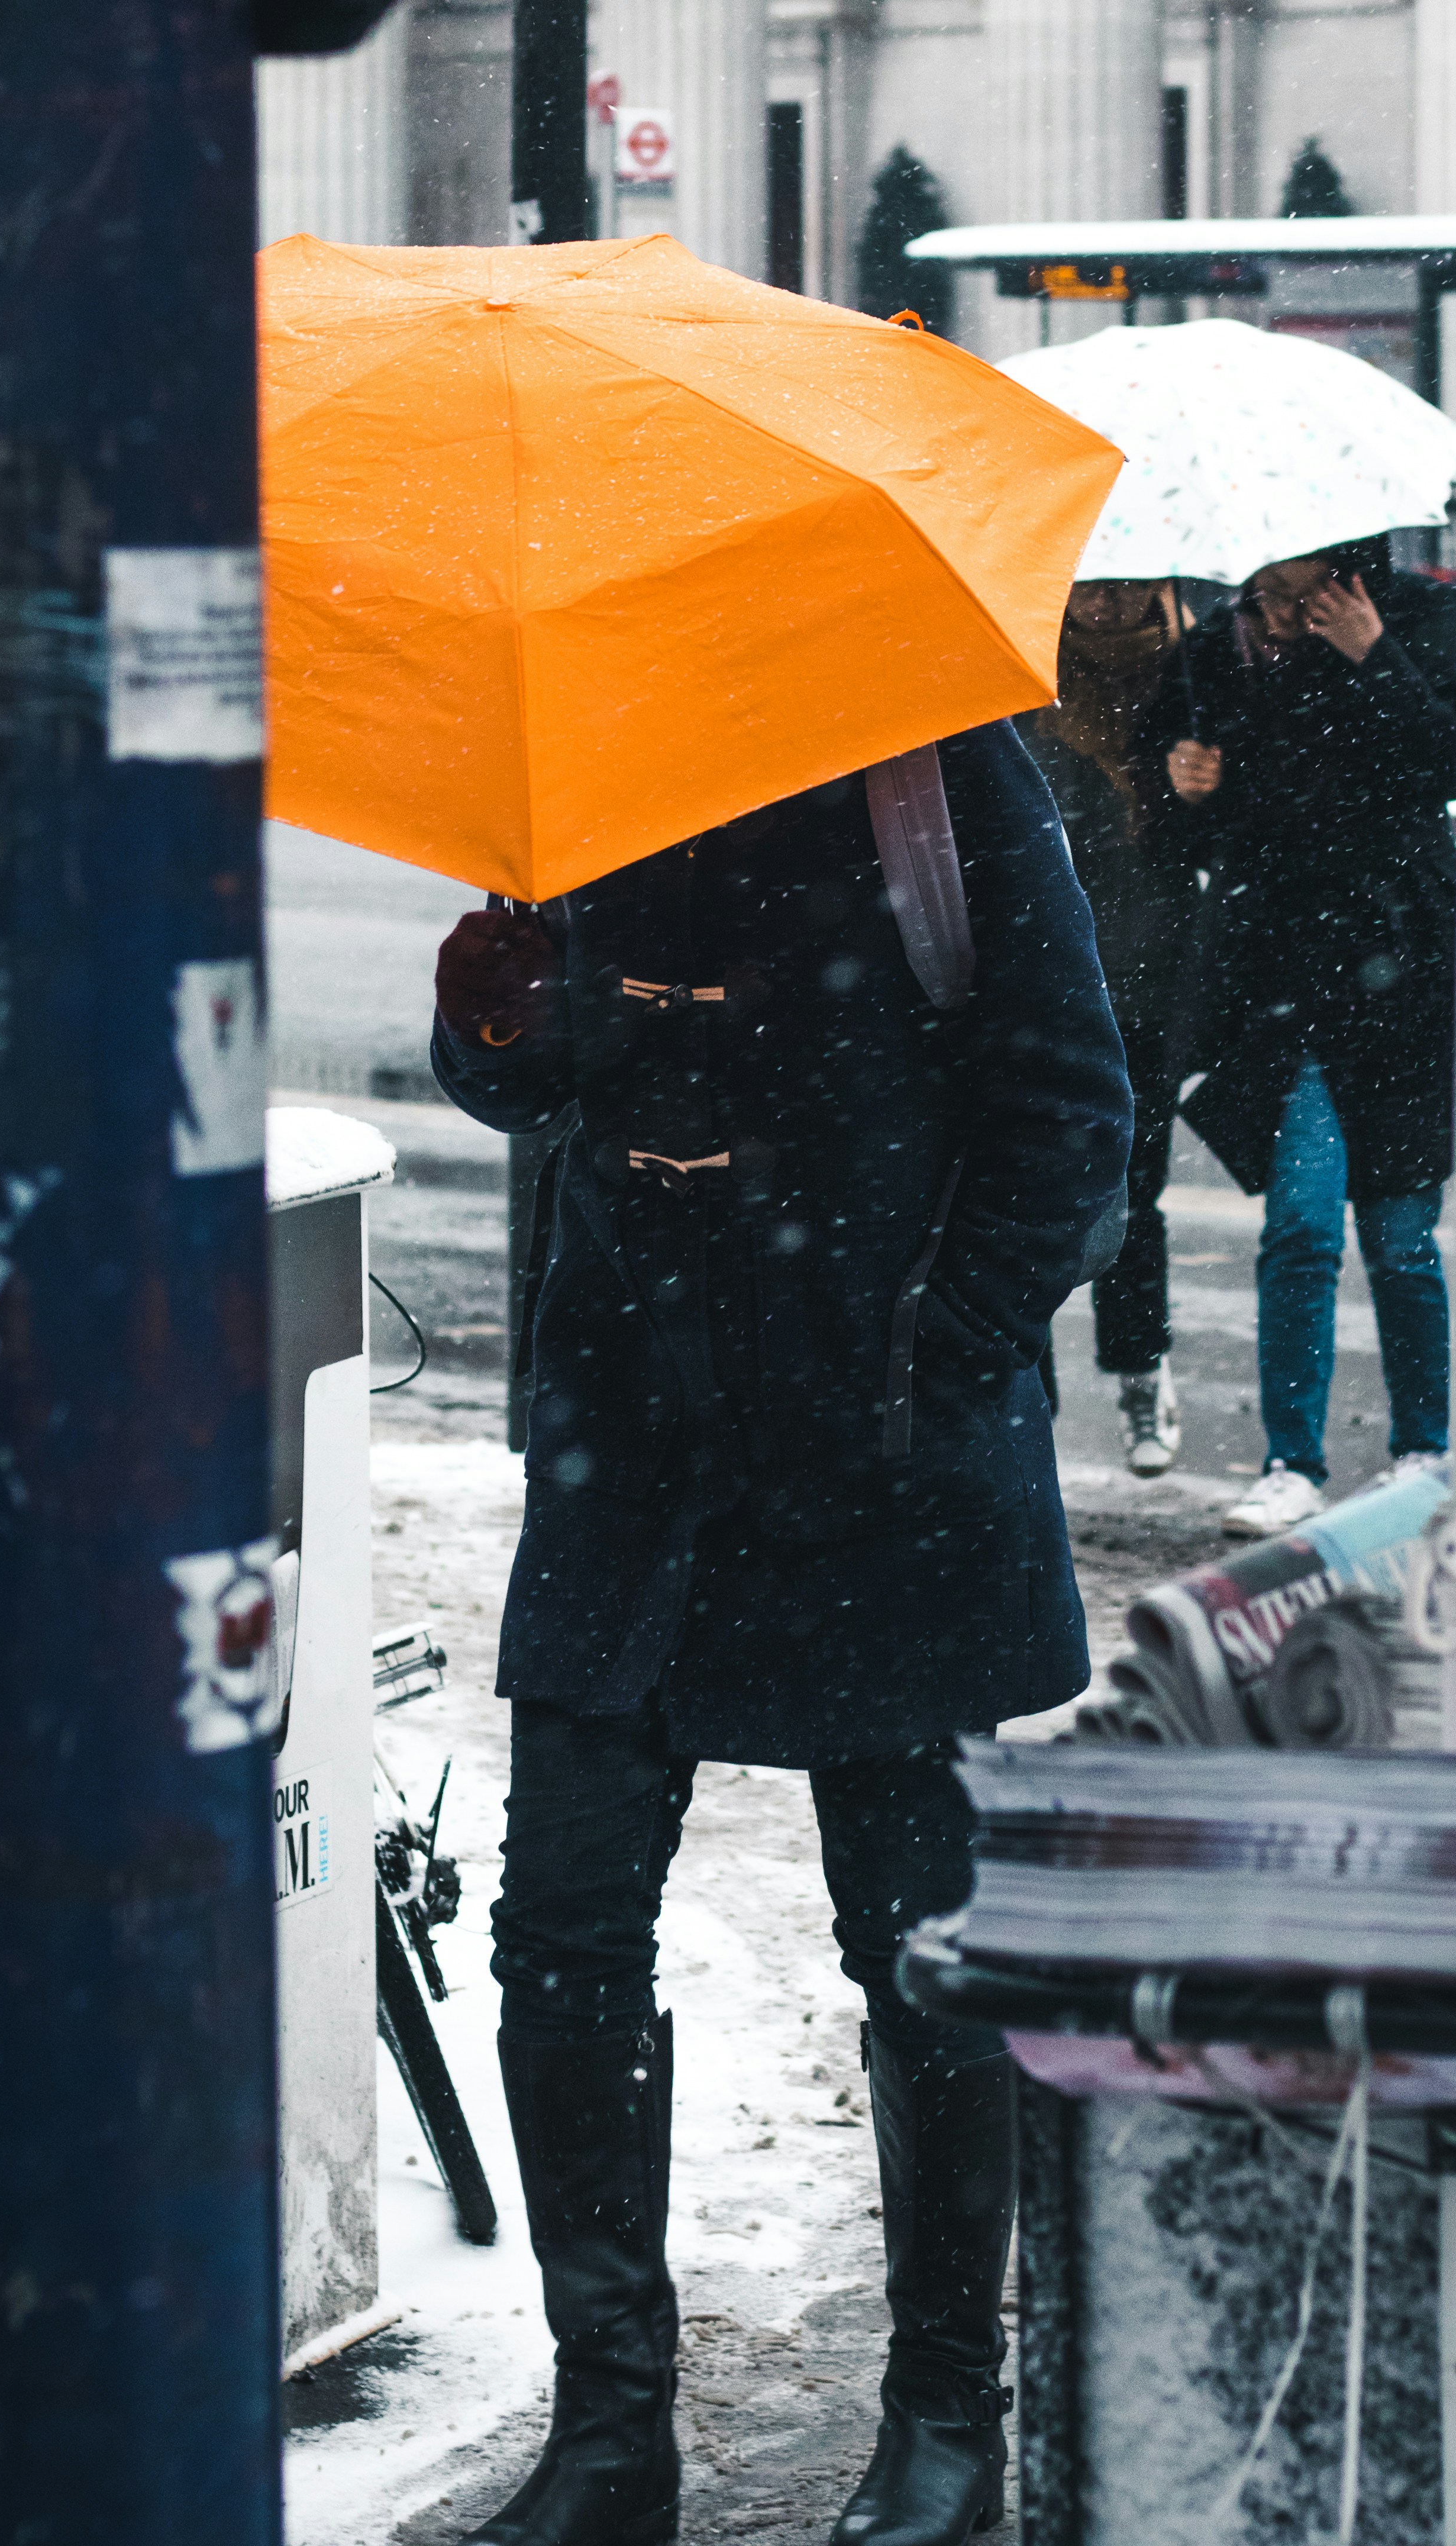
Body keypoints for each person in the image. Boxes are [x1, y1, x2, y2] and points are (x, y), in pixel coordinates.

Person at [430, 724, 1134, 2546]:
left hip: (880, 1460)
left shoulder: (934, 774)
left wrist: (931, 1357)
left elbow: (1074, 1111)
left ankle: (945, 2419)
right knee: (561, 1931)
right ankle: (612, 2435)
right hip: (636, 1446)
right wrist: (502, 1026)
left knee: (917, 1953)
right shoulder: (592, 758)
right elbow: (554, 1085)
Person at [1159, 535, 1456, 1539]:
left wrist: (1373, 655)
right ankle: (1292, 1459)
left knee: (1401, 1237)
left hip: (1404, 972)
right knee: (1299, 1230)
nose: (1277, 592)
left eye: (1293, 572)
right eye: (1265, 576)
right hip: (1286, 984)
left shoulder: (1417, 617)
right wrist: (1191, 793)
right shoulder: (1219, 652)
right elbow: (1206, 834)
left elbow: (1448, 767)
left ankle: (1426, 1451)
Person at [1019, 578, 1206, 1476]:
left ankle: (1140, 1369)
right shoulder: (1024, 668)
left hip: (1149, 967)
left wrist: (1194, 789)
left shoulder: (1203, 672)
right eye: (1091, 583)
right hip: (1038, 966)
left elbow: (1232, 835)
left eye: (1127, 586)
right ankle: (1028, 1394)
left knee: (1135, 1190)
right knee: (1024, 1188)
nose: (1105, 601)